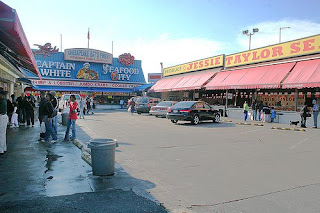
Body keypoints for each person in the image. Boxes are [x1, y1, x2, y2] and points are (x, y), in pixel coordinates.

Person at [0, 89, 8, 154]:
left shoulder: (2, 101)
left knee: (1, 134)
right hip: (4, 117)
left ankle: (1, 149)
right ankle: (4, 148)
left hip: (2, 117)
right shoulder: (4, 101)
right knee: (3, 134)